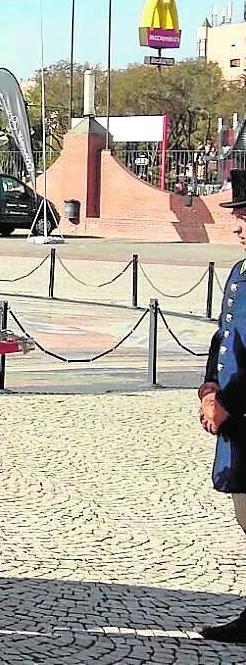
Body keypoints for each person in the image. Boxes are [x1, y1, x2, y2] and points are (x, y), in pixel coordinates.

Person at [202, 170, 246, 642]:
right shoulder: (240, 270)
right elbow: (224, 337)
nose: (236, 226)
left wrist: (228, 403)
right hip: (236, 416)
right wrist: (209, 388)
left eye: (245, 217)